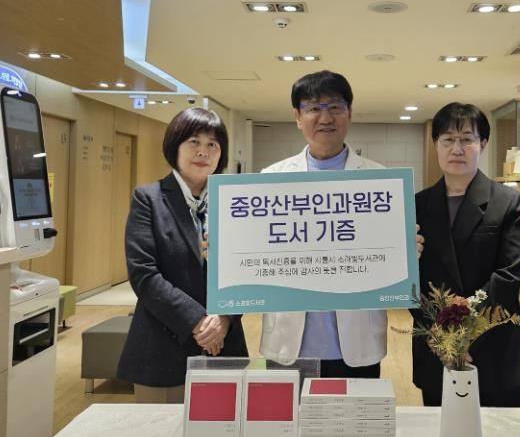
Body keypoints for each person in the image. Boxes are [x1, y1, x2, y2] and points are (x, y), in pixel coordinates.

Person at [259, 69, 423, 378]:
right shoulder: (270, 179)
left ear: (349, 113)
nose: (325, 118)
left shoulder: (381, 181)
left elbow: (393, 262)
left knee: (356, 412)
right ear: (298, 117)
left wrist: (405, 251)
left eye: (335, 106)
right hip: (289, 343)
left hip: (357, 344)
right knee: (289, 412)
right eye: (313, 108)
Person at [118, 107, 248, 403]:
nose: (203, 151)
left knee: (225, 428)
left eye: (213, 144)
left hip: (225, 345)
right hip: (163, 348)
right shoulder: (148, 199)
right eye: (194, 142)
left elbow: (248, 269)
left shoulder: (236, 202)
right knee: (162, 431)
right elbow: (144, 274)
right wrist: (198, 321)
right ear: (174, 145)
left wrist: (224, 319)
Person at [413, 102, 520, 407]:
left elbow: (509, 275)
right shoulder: (416, 205)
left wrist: (462, 331)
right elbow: (410, 278)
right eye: (448, 140)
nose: (457, 148)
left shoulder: (507, 202)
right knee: (439, 431)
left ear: (483, 144)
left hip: (492, 341)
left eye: (467, 139)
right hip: (436, 344)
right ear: (436, 144)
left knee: (499, 432)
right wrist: (443, 335)